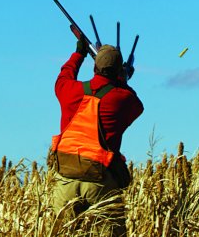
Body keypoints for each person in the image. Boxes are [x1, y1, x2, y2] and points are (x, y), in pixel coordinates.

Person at [50, 36, 144, 236]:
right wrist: (123, 80)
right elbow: (137, 107)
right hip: (100, 180)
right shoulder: (122, 98)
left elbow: (63, 77)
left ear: (94, 66)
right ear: (119, 70)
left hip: (66, 177)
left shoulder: (70, 91)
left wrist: (78, 53)